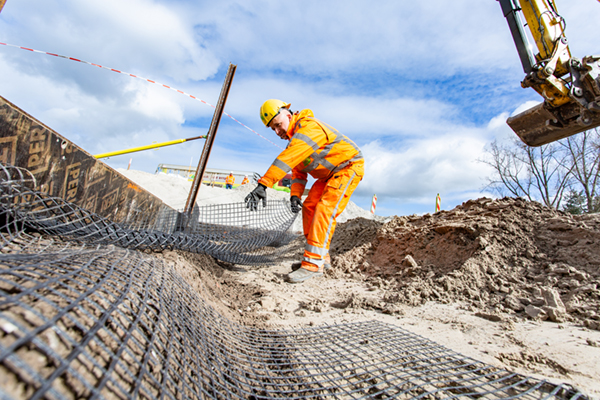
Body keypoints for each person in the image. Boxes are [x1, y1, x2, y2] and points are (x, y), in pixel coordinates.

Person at [245, 99, 364, 283]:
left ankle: (313, 265)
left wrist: (264, 184)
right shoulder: (296, 140)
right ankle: (319, 257)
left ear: (288, 114)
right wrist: (295, 195)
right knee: (309, 207)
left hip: (347, 167)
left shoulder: (308, 128)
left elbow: (288, 159)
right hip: (328, 176)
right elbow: (298, 171)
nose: (278, 132)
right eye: (273, 129)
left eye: (278, 125)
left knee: (325, 209)